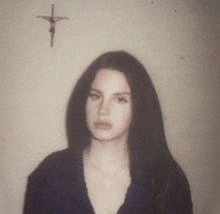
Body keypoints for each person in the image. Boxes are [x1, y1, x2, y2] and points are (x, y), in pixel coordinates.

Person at [23, 51, 193, 213]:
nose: (103, 110)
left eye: (120, 99)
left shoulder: (167, 181)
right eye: (95, 96)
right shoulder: (49, 174)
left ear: (139, 107)